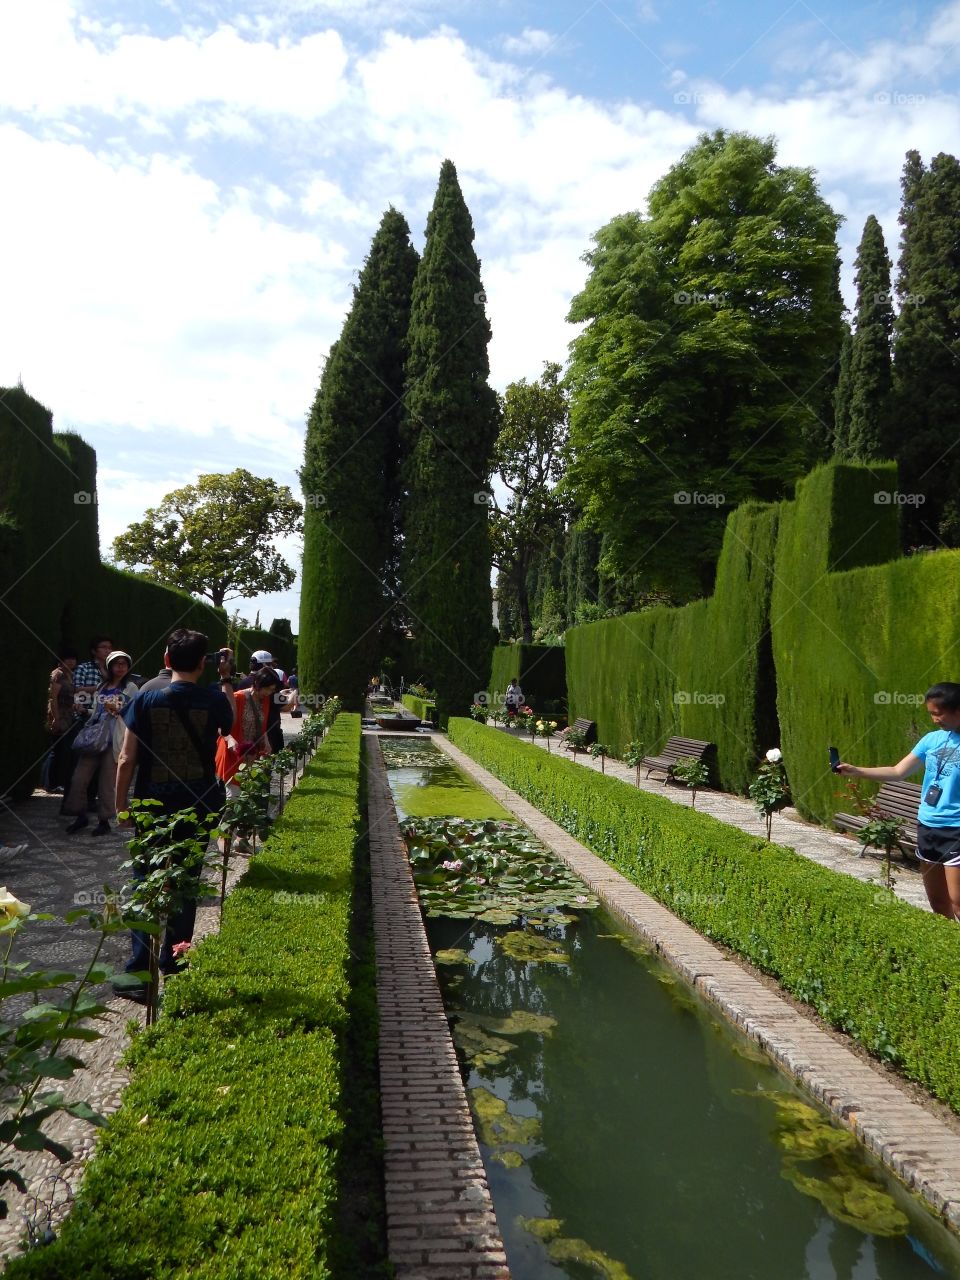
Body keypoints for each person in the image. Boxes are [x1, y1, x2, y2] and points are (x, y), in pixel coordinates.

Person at [114, 628, 233, 996]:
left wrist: (121, 808)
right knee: (184, 882)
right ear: (202, 663)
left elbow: (126, 758)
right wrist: (225, 677)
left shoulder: (146, 699)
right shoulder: (213, 699)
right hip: (197, 804)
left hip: (153, 804)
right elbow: (228, 730)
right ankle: (175, 961)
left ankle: (138, 973)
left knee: (144, 882)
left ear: (166, 660)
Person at [837, 682, 960, 920]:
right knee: (938, 903)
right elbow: (897, 772)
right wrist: (856, 770)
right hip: (928, 826)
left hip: (956, 831)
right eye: (931, 714)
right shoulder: (932, 740)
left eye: (938, 713)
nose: (934, 719)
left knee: (957, 902)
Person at [63, 651, 138, 836]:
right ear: (110, 666)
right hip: (95, 736)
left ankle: (104, 820)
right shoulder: (102, 686)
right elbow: (96, 711)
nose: (120, 667)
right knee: (79, 778)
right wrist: (84, 711)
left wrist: (118, 709)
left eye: (124, 664)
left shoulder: (130, 687)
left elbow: (131, 711)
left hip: (114, 739)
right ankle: (80, 815)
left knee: (107, 782)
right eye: (117, 664)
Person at [215, 667, 279, 798]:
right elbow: (220, 725)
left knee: (247, 797)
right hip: (232, 754)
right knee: (233, 797)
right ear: (257, 684)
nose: (269, 693)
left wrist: (266, 740)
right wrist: (229, 739)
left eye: (272, 690)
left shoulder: (265, 701)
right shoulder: (237, 697)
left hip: (250, 757)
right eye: (268, 689)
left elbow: (262, 724)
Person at [45, 645, 79, 795]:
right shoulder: (58, 674)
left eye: (73, 659)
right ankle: (51, 783)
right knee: (56, 751)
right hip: (58, 716)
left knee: (63, 751)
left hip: (68, 716)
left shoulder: (69, 674)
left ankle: (57, 782)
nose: (71, 662)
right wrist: (55, 718)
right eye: (67, 659)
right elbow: (53, 698)